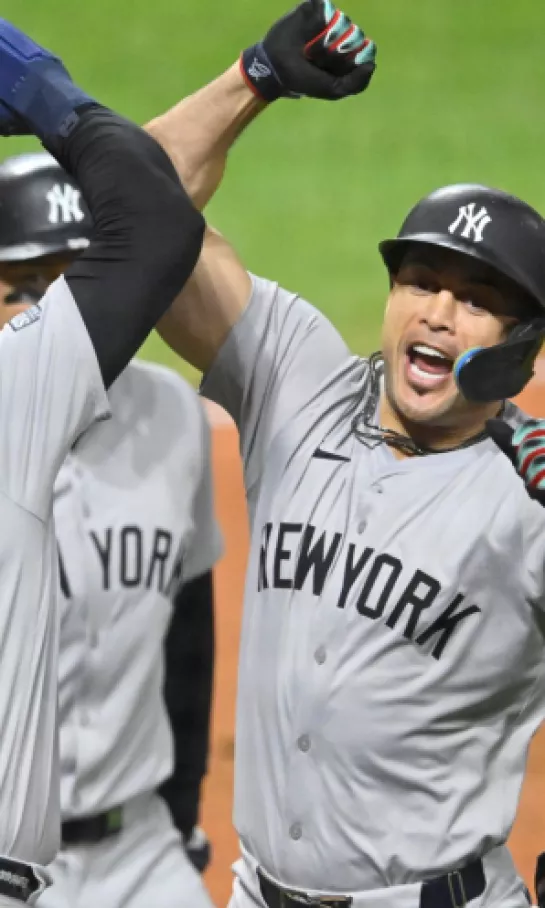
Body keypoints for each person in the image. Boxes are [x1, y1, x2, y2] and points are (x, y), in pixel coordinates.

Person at [144, 1, 545, 906]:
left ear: (523, 344)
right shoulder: (296, 378)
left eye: (476, 299)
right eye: (419, 280)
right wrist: (253, 78)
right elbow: (138, 206)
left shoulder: (530, 497)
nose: (437, 312)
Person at [0, 15, 204, 908]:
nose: (50, 315)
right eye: (20, 290)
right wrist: (37, 84)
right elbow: (157, 222)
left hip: (140, 851)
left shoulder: (171, 415)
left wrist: (188, 812)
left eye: (73, 284)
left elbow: (189, 631)